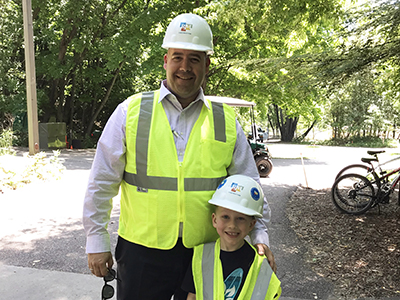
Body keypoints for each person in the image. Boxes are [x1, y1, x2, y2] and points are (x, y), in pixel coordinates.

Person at [82, 13, 276, 300]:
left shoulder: (225, 120)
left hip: (208, 252)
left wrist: (259, 236)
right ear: (165, 61)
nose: (185, 67)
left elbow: (249, 186)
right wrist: (96, 239)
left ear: (206, 66)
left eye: (195, 59)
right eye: (178, 57)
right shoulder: (130, 111)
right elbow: (101, 180)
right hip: (142, 252)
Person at [182, 174, 281, 300]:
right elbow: (193, 296)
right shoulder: (201, 257)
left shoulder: (260, 265)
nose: (232, 225)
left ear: (252, 224)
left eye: (240, 218)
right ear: (214, 219)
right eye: (225, 217)